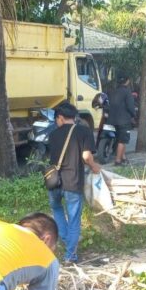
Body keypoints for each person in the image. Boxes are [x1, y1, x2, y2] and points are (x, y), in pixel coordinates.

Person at [46, 102, 101, 264]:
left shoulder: (53, 134)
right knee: (74, 218)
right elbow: (86, 156)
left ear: (61, 118)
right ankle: (70, 255)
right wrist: (94, 166)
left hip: (54, 182)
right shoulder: (84, 131)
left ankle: (67, 240)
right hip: (73, 181)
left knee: (57, 209)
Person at [107, 75, 136, 166]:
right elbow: (130, 106)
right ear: (127, 81)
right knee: (123, 140)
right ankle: (118, 160)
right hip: (123, 120)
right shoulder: (127, 92)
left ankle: (123, 157)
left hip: (111, 120)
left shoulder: (112, 91)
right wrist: (134, 115)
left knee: (119, 139)